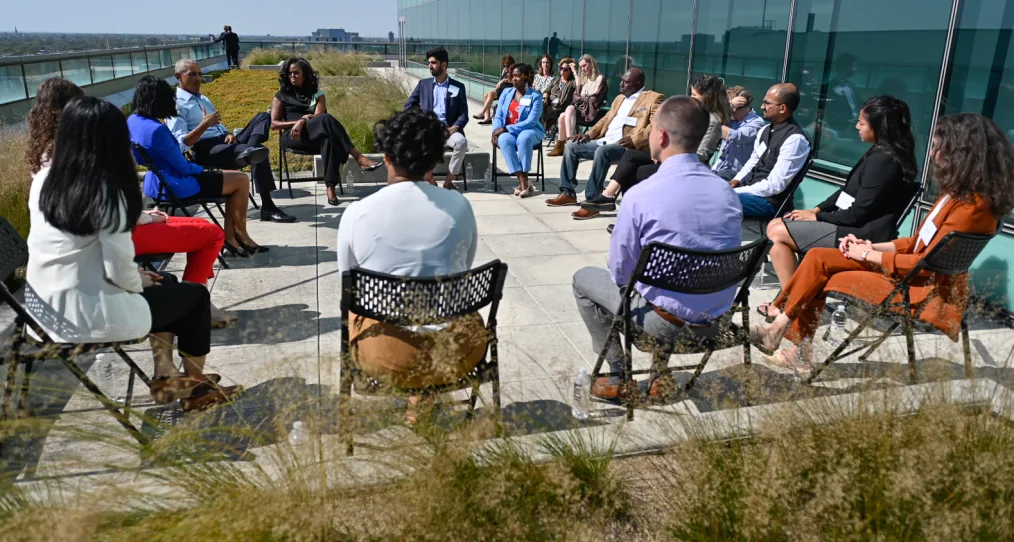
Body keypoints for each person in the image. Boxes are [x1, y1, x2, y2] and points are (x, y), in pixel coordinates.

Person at [26, 96, 242, 411]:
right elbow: (118, 271)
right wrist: (138, 279)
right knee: (194, 298)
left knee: (165, 282)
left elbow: (78, 253)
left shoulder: (47, 180)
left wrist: (141, 277)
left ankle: (168, 380)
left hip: (46, 305)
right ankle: (193, 394)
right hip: (85, 316)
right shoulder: (103, 190)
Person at [752, 113, 1014, 371]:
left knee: (820, 276)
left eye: (937, 147)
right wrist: (870, 247)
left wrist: (868, 255)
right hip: (906, 271)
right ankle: (782, 332)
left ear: (961, 152)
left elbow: (925, 265)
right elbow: (916, 243)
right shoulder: (957, 196)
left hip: (917, 289)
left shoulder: (972, 207)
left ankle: (787, 338)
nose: (932, 154)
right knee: (818, 257)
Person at [26, 78, 236, 328]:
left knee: (197, 227)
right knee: (210, 233)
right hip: (110, 234)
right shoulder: (76, 154)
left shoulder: (43, 153)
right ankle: (198, 305)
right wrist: (145, 217)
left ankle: (198, 303)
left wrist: (144, 214)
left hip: (101, 232)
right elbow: (101, 208)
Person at [572, 96, 743, 400]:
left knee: (585, 279)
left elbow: (620, 272)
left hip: (663, 328)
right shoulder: (727, 194)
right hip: (716, 325)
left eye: (651, 127)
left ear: (661, 136)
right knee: (670, 281)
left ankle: (616, 375)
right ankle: (658, 377)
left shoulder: (641, 195)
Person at [338, 108, 485, 421]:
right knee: (451, 298)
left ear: (387, 158)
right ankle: (422, 395)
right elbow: (463, 267)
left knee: (354, 304)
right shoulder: (460, 206)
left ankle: (416, 390)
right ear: (434, 163)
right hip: (459, 352)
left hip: (388, 356)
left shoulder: (357, 214)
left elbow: (348, 285)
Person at [761, 95, 919, 297]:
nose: (857, 127)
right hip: (850, 224)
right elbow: (847, 192)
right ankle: (792, 300)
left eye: (861, 122)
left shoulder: (885, 161)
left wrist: (817, 218)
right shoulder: (879, 152)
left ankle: (792, 301)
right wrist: (815, 210)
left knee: (777, 232)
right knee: (776, 231)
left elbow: (858, 213)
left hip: (861, 234)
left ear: (879, 126)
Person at [128, 75, 264, 258]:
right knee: (241, 180)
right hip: (177, 184)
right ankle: (239, 236)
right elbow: (183, 167)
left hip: (156, 183)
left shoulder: (132, 121)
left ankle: (232, 238)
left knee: (232, 177)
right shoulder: (157, 130)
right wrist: (203, 170)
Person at [581, 74, 729, 216]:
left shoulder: (712, 122)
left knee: (639, 172)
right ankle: (608, 196)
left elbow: (700, 155)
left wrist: (668, 156)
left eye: (695, 95)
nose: (691, 98)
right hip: (671, 158)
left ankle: (634, 217)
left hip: (684, 166)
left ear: (708, 98)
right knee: (631, 155)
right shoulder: (693, 115)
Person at [168, 59, 296, 223]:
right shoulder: (176, 105)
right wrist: (205, 124)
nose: (198, 78)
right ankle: (268, 206)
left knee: (263, 117)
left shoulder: (203, 99)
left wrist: (228, 132)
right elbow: (180, 144)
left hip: (225, 141)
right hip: (206, 150)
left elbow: (218, 124)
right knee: (259, 152)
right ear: (178, 76)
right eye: (192, 74)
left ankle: (250, 149)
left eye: (200, 74)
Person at [546, 67, 663, 218]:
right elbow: (605, 120)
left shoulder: (653, 98)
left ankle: (593, 201)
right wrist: (589, 134)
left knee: (603, 151)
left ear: (638, 83)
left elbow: (654, 126)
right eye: (621, 81)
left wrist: (633, 139)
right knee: (571, 146)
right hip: (605, 141)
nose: (621, 84)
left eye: (626, 82)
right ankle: (568, 193)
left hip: (627, 147)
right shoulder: (619, 99)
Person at [271, 57, 381, 207]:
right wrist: (295, 123)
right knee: (327, 121)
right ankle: (358, 157)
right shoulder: (281, 95)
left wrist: (302, 121)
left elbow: (318, 117)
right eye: (289, 73)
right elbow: (274, 124)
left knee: (328, 138)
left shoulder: (318, 94)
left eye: (296, 73)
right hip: (292, 136)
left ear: (305, 74)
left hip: (314, 136)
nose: (292, 76)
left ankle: (330, 188)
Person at [730, 83, 811, 219]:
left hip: (769, 202)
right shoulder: (765, 130)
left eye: (767, 103)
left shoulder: (795, 140)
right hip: (750, 191)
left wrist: (736, 191)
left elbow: (775, 186)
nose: (762, 107)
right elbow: (754, 160)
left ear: (782, 108)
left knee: (716, 199)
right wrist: (736, 180)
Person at [404, 47, 469, 191]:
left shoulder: (458, 87)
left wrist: (454, 128)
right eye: (429, 63)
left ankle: (448, 181)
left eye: (433, 63)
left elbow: (464, 114)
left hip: (448, 130)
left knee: (461, 142)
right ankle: (430, 179)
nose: (430, 66)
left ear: (444, 65)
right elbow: (409, 106)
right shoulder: (424, 84)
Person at [491, 63, 545, 198]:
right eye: (512, 76)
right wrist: (496, 130)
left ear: (526, 78)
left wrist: (505, 128)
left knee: (524, 137)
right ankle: (522, 180)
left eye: (518, 76)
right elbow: (498, 115)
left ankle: (524, 180)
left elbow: (531, 121)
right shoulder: (506, 92)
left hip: (531, 130)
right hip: (509, 132)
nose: (514, 79)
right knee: (503, 140)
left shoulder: (535, 96)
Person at [548, 54, 608, 157]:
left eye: (584, 65)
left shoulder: (599, 78)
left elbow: (595, 97)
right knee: (563, 116)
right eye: (581, 67)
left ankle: (570, 144)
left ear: (592, 64)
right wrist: (584, 99)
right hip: (581, 111)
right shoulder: (584, 80)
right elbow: (576, 96)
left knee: (570, 108)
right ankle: (560, 146)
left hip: (592, 112)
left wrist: (583, 99)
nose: (583, 69)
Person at [712, 86, 766, 180]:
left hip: (736, 176)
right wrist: (728, 105)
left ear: (741, 106)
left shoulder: (757, 122)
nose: (728, 111)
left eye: (731, 108)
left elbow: (736, 137)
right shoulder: (729, 119)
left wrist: (713, 122)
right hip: (718, 169)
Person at [542, 57, 576, 142]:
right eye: (561, 68)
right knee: (539, 107)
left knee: (542, 112)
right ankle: (540, 131)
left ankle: (543, 131)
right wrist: (545, 97)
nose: (562, 71)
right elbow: (547, 90)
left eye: (565, 69)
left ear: (570, 71)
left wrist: (575, 70)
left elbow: (579, 85)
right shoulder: (556, 80)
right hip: (550, 105)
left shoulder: (572, 82)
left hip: (562, 107)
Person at [475, 55, 516, 125]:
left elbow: (514, 80)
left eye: (507, 65)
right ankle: (487, 118)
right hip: (502, 89)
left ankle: (482, 111)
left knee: (491, 94)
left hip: (508, 90)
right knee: (486, 95)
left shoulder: (514, 70)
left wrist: (503, 81)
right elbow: (500, 82)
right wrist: (498, 86)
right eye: (504, 65)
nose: (505, 67)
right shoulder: (505, 70)